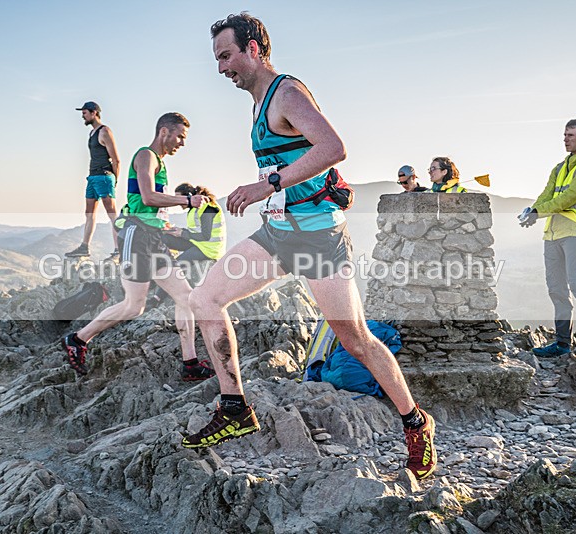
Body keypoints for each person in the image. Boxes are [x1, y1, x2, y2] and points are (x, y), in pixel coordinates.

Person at [181, 12, 437, 481]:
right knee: (205, 298)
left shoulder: (287, 93)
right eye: (217, 59)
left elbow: (333, 147)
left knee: (355, 340)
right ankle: (234, 405)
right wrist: (271, 191)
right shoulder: (259, 100)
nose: (221, 68)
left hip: (319, 237)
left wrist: (268, 183)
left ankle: (415, 422)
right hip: (280, 232)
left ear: (254, 48)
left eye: (226, 56)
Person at [61, 112, 216, 383]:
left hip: (154, 238)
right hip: (137, 237)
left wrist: (165, 223)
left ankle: (190, 363)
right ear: (164, 132)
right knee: (134, 306)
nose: (182, 143)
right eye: (180, 136)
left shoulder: (160, 164)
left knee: (186, 297)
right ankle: (77, 339)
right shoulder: (145, 156)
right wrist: (187, 201)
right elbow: (148, 197)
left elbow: (149, 204)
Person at [519, 118, 576, 356]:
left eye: (570, 135)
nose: (565, 139)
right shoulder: (559, 167)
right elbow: (546, 194)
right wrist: (532, 212)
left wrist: (539, 212)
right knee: (556, 289)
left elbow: (571, 196)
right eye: (564, 135)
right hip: (552, 233)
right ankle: (561, 344)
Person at [145, 183, 227, 309]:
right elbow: (195, 231)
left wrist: (182, 233)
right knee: (163, 238)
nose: (178, 202)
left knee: (177, 265)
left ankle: (157, 298)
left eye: (180, 198)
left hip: (209, 249)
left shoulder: (208, 208)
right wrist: (175, 231)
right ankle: (155, 272)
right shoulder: (194, 209)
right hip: (197, 242)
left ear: (189, 196)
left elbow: (205, 236)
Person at [66, 101, 121, 259]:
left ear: (94, 113)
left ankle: (118, 249)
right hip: (92, 177)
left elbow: (116, 159)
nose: (83, 116)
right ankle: (84, 247)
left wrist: (114, 180)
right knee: (89, 213)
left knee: (112, 213)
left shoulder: (105, 131)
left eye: (84, 113)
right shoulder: (92, 133)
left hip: (104, 176)